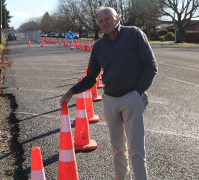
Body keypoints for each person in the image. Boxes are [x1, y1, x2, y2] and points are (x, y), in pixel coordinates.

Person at [60, 6, 158, 180]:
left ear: (117, 18)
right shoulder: (98, 46)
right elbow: (91, 77)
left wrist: (138, 93)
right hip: (110, 100)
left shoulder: (134, 34)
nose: (104, 23)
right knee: (117, 149)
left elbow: (150, 66)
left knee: (136, 150)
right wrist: (71, 92)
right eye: (101, 21)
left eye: (107, 18)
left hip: (132, 98)